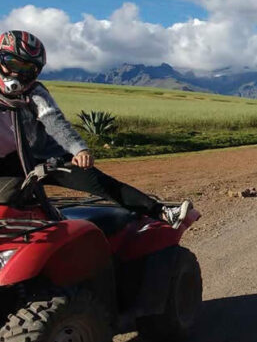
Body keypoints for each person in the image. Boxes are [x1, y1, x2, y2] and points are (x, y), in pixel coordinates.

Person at [0, 30, 191, 228]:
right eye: (14, 64)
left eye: (28, 69)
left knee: (99, 182)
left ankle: (161, 212)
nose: (18, 74)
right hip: (7, 161)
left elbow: (54, 122)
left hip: (42, 158)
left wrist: (78, 149)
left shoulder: (35, 93)